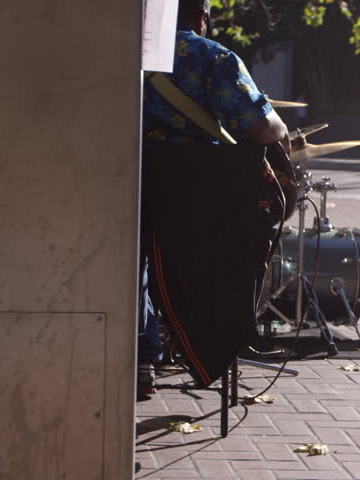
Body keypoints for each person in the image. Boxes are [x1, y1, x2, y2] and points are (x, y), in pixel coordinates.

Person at [138, 0, 290, 394]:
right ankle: (209, 340)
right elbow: (260, 128)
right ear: (202, 17)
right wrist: (282, 129)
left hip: (127, 188)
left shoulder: (120, 54)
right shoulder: (211, 56)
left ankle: (141, 354)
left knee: (133, 262)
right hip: (196, 208)